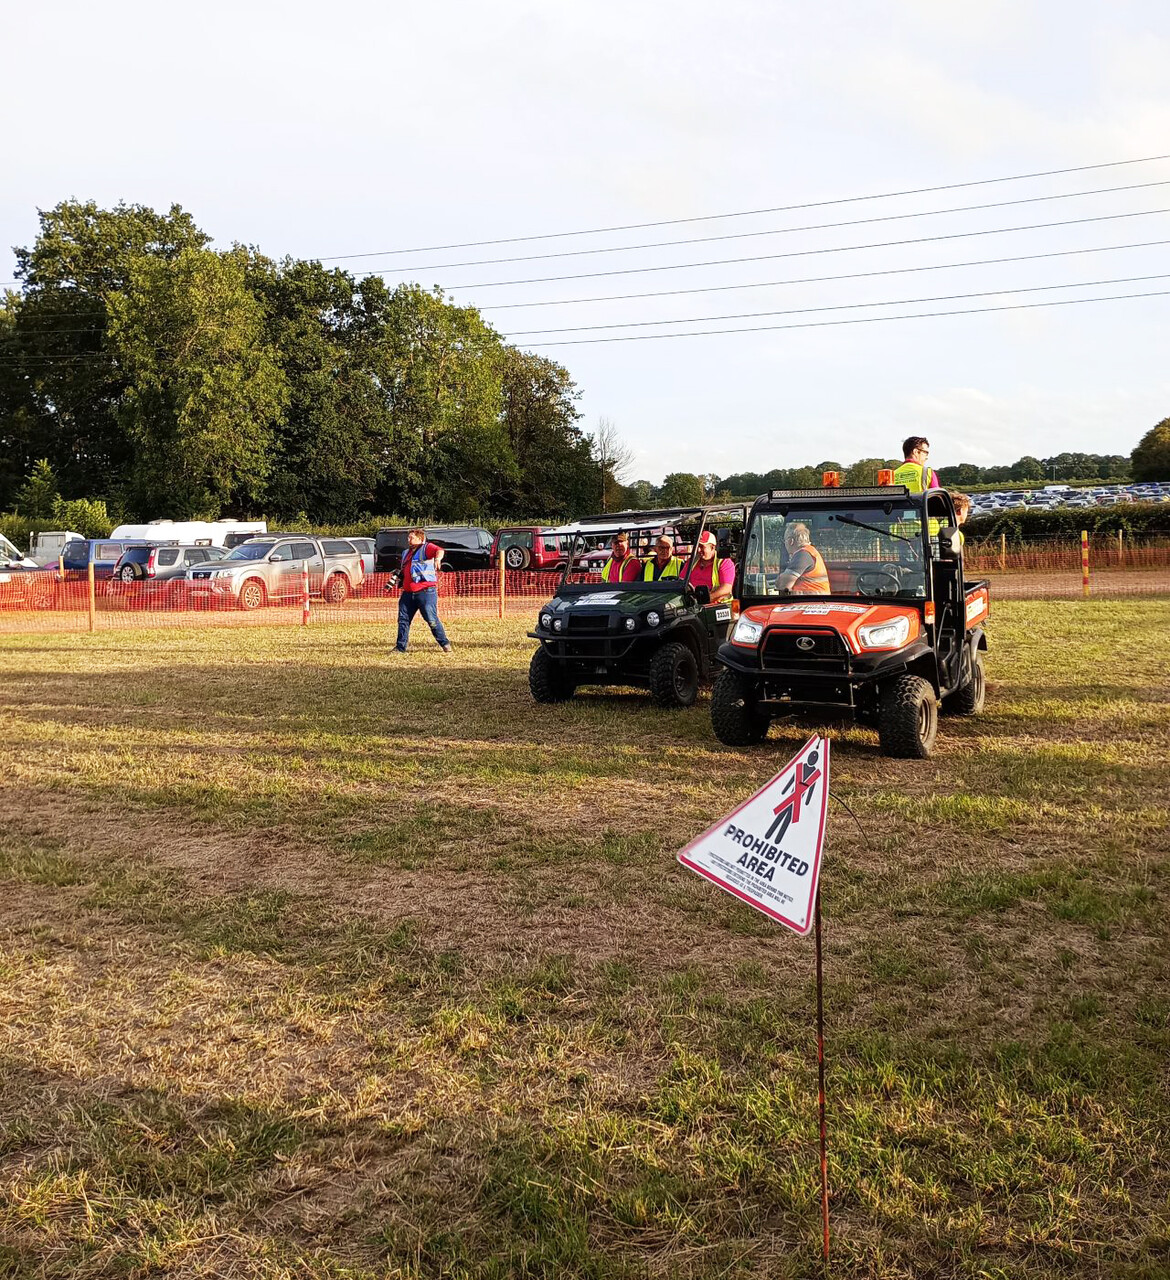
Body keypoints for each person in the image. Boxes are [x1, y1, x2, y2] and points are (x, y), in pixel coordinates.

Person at [392, 528, 452, 653]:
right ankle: (400, 647)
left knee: (431, 619)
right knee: (403, 620)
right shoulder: (405, 553)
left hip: (426, 592)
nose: (408, 540)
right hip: (408, 593)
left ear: (420, 539)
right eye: (408, 537)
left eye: (411, 537)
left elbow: (439, 550)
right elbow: (406, 569)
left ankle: (445, 644)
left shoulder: (426, 548)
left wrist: (438, 559)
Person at [776, 522, 830, 594]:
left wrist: (779, 580)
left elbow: (783, 585)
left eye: (784, 540)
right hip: (815, 601)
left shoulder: (802, 555)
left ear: (790, 541)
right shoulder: (810, 552)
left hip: (810, 602)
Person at [687, 530, 735, 603]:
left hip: (719, 607)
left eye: (702, 546)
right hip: (694, 605)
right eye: (697, 546)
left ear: (712, 547)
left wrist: (706, 599)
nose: (698, 550)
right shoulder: (692, 561)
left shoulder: (724, 562)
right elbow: (681, 581)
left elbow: (726, 589)